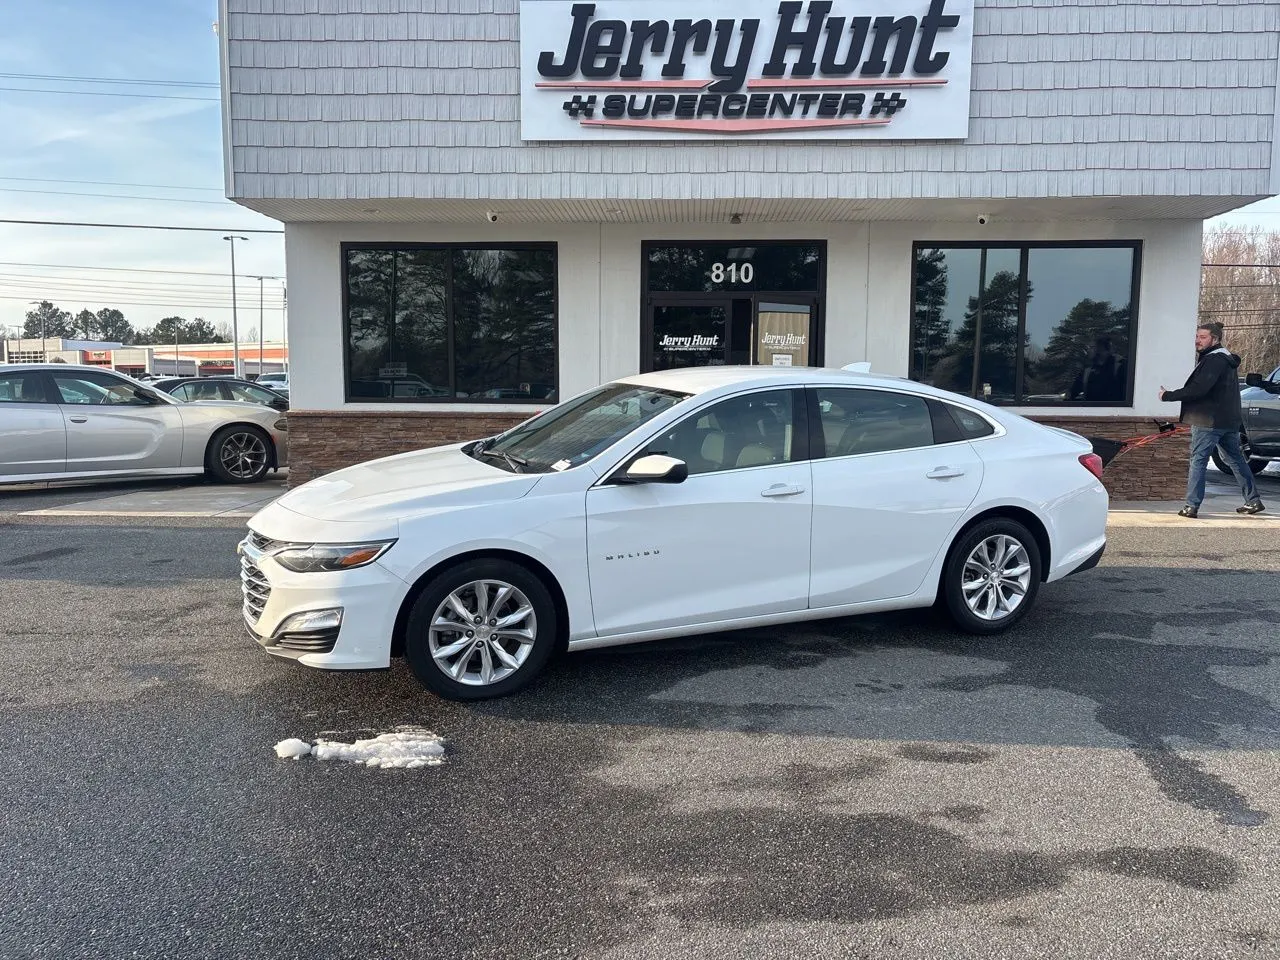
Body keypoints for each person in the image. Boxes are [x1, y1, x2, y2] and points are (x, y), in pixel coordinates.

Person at [1160, 322, 1265, 518]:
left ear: (1214, 339)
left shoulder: (1214, 360)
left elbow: (1199, 389)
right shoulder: (1225, 359)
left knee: (1198, 461)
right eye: (1197, 336)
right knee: (1236, 460)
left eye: (1203, 337)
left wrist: (1168, 395)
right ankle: (1253, 501)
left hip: (1208, 421)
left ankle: (1191, 506)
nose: (1197, 341)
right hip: (1228, 421)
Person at [1070, 337, 1127, 402]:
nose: (1088, 350)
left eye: (1091, 347)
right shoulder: (1088, 370)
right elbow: (1074, 391)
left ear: (1102, 348)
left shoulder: (1119, 366)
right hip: (1091, 407)